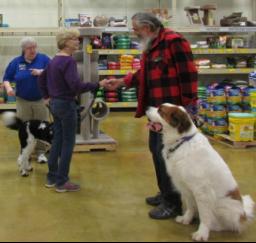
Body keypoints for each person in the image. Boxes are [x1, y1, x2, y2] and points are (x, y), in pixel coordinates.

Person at [104, 12, 198, 219]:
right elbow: (144, 73)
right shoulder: (150, 45)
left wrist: (189, 109)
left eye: (136, 29)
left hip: (172, 117)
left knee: (167, 155)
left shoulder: (174, 42)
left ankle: (172, 202)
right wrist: (122, 81)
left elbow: (189, 74)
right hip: (156, 114)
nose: (134, 33)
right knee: (156, 151)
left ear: (147, 27)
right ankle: (165, 191)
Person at [38, 29, 109, 193]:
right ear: (66, 42)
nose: (78, 42)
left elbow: (41, 79)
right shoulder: (68, 62)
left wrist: (46, 97)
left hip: (55, 104)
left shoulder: (54, 60)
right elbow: (76, 86)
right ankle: (62, 182)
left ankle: (52, 177)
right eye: (74, 39)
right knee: (68, 143)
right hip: (66, 104)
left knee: (57, 140)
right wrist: (98, 84)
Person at [3, 37, 50, 164]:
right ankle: (25, 152)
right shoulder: (16, 62)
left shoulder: (44, 59)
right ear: (23, 49)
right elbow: (6, 78)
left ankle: (41, 152)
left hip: (41, 99)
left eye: (34, 47)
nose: (33, 50)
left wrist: (41, 72)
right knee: (24, 128)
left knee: (42, 127)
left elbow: (53, 72)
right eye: (29, 48)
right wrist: (8, 89)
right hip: (22, 100)